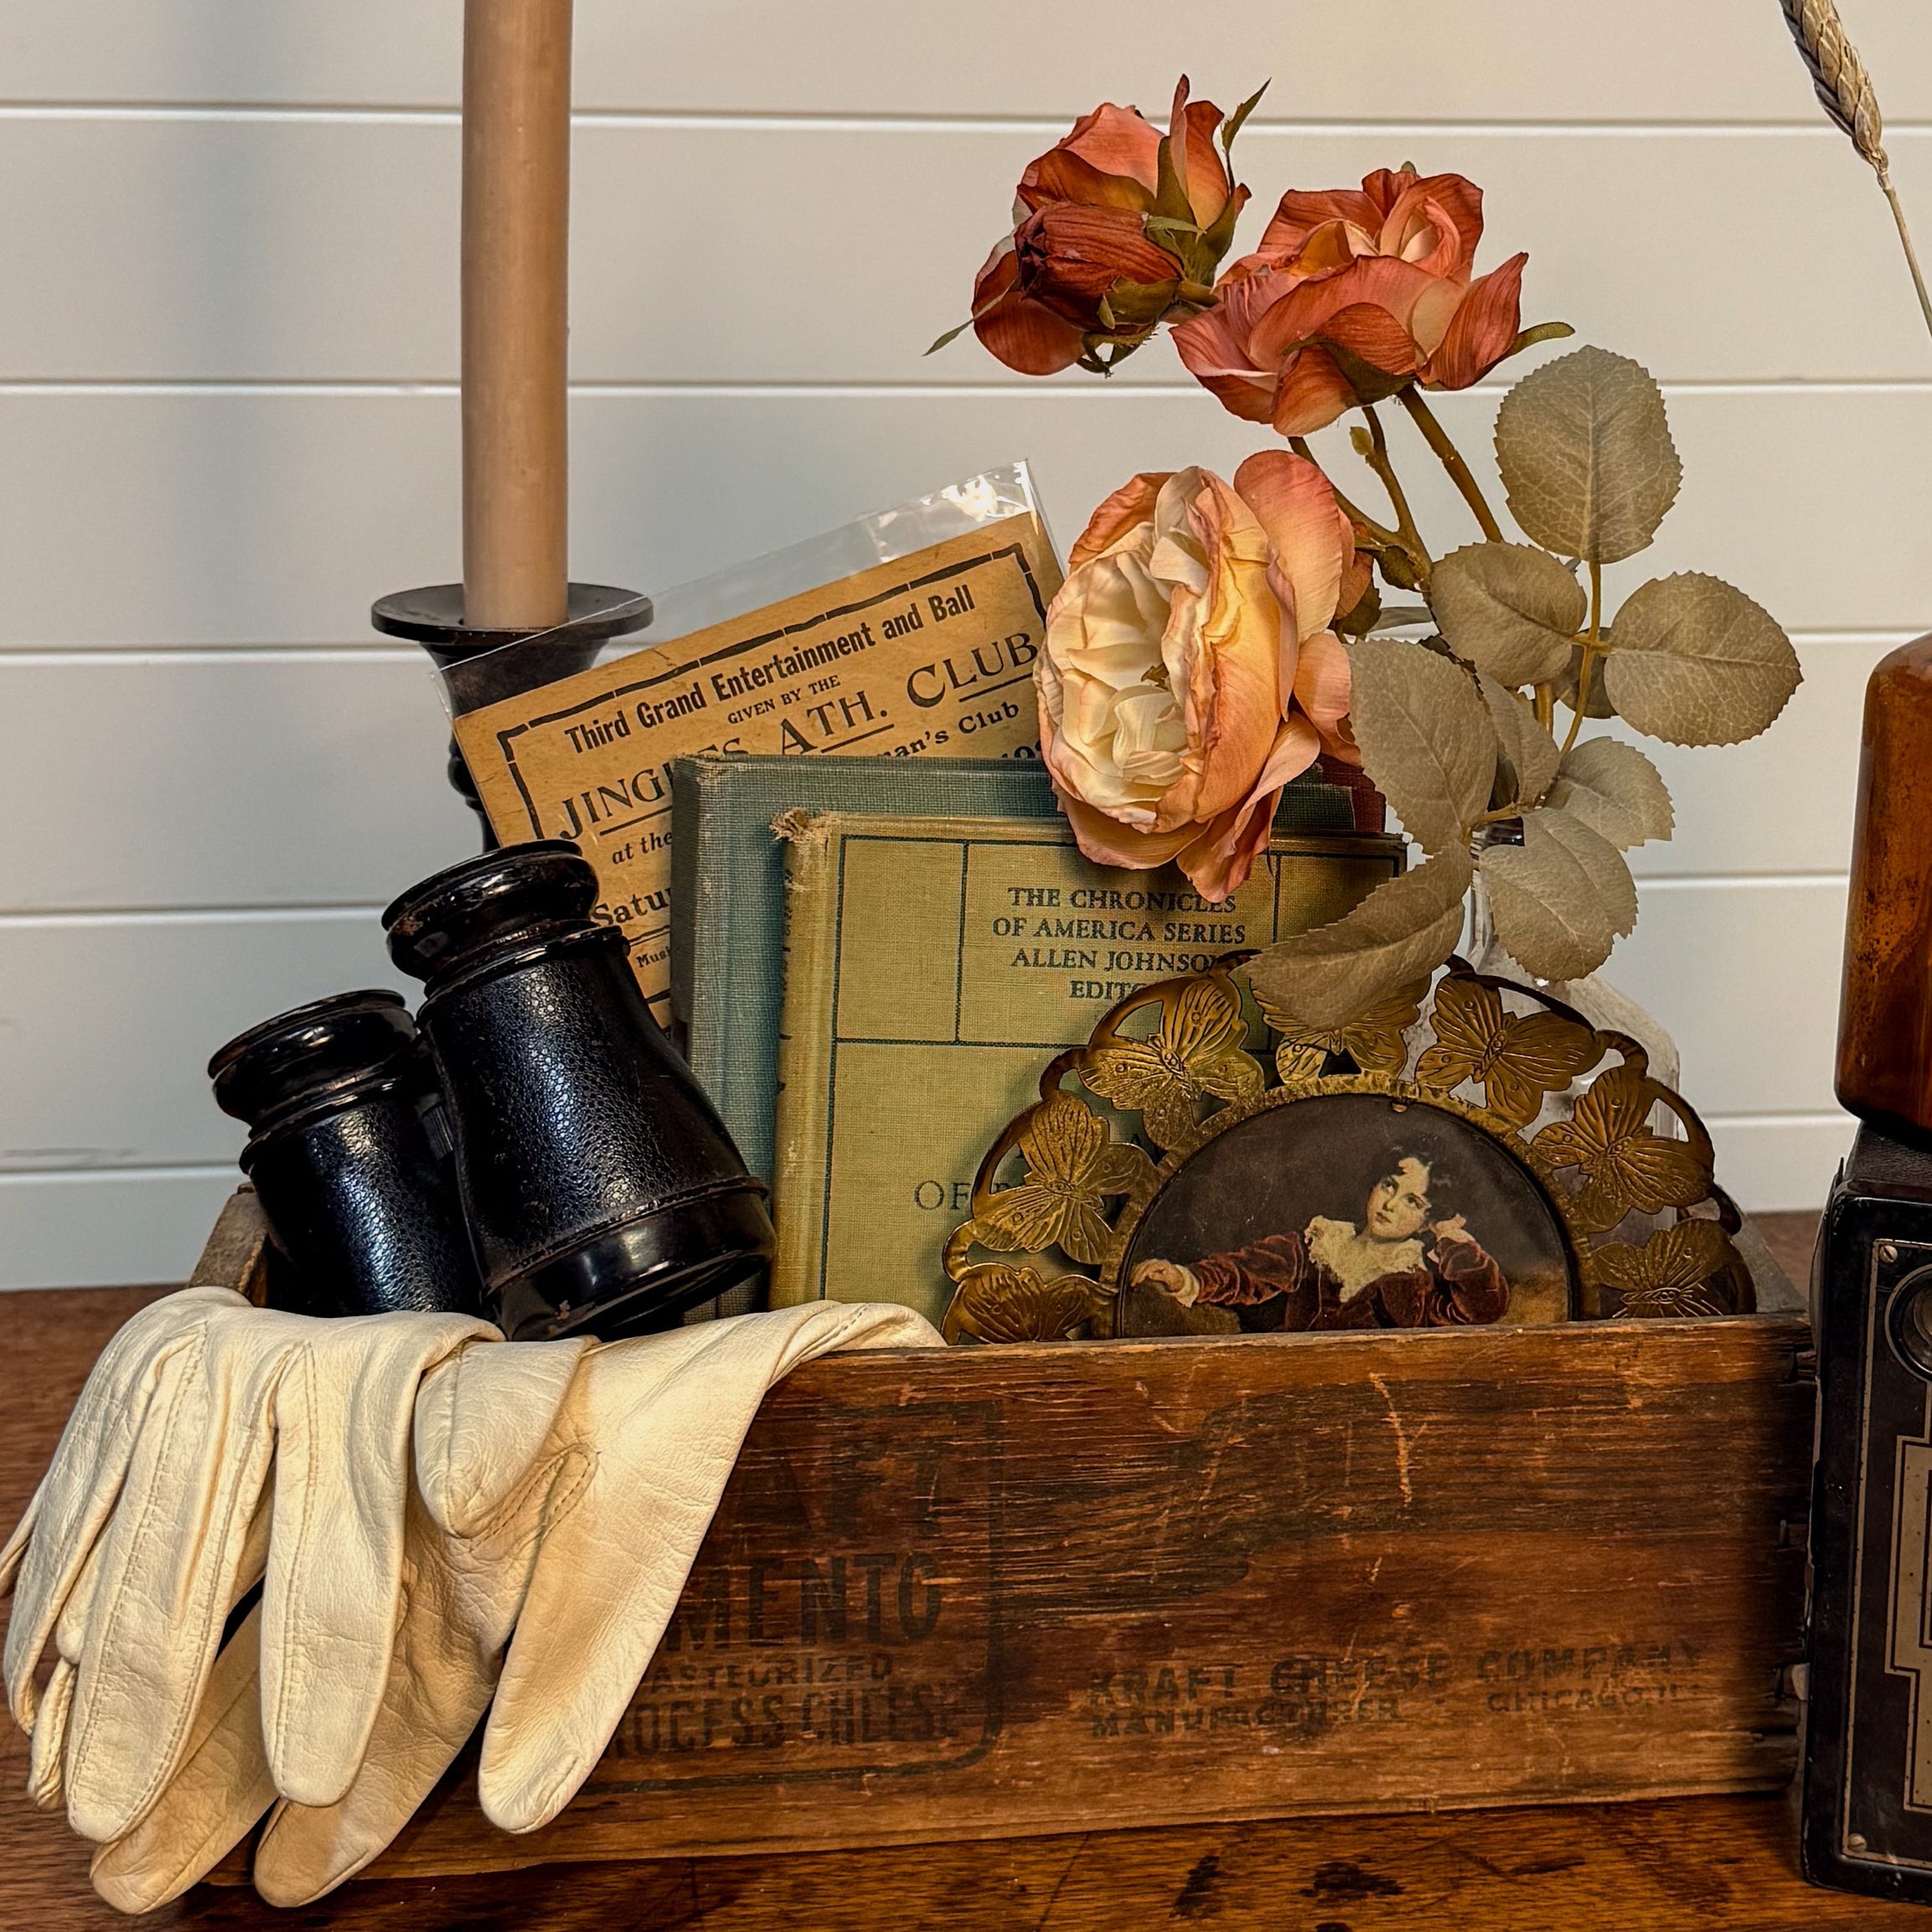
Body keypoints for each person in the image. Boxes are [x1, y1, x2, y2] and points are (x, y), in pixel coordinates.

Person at [1129, 1151, 1509, 1332]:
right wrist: (1185, 1278)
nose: (1390, 1204)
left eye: (1412, 1201)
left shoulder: (1418, 1280)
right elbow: (1248, 1271)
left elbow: (1483, 1307)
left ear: (1429, 1219)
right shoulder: (1320, 1242)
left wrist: (1453, 1241)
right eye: (1388, 1186)